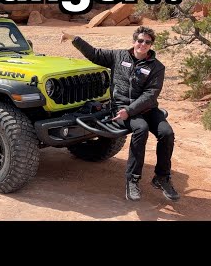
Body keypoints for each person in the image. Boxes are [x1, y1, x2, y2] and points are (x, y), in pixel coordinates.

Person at [60, 26, 180, 202]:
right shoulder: (118, 56)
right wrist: (74, 38)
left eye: (147, 42)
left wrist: (129, 111)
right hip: (122, 107)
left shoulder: (157, 67)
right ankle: (132, 180)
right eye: (140, 40)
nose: (143, 44)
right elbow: (94, 54)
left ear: (151, 45)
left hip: (146, 109)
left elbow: (150, 95)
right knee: (141, 129)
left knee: (167, 133)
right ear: (134, 41)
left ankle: (162, 177)